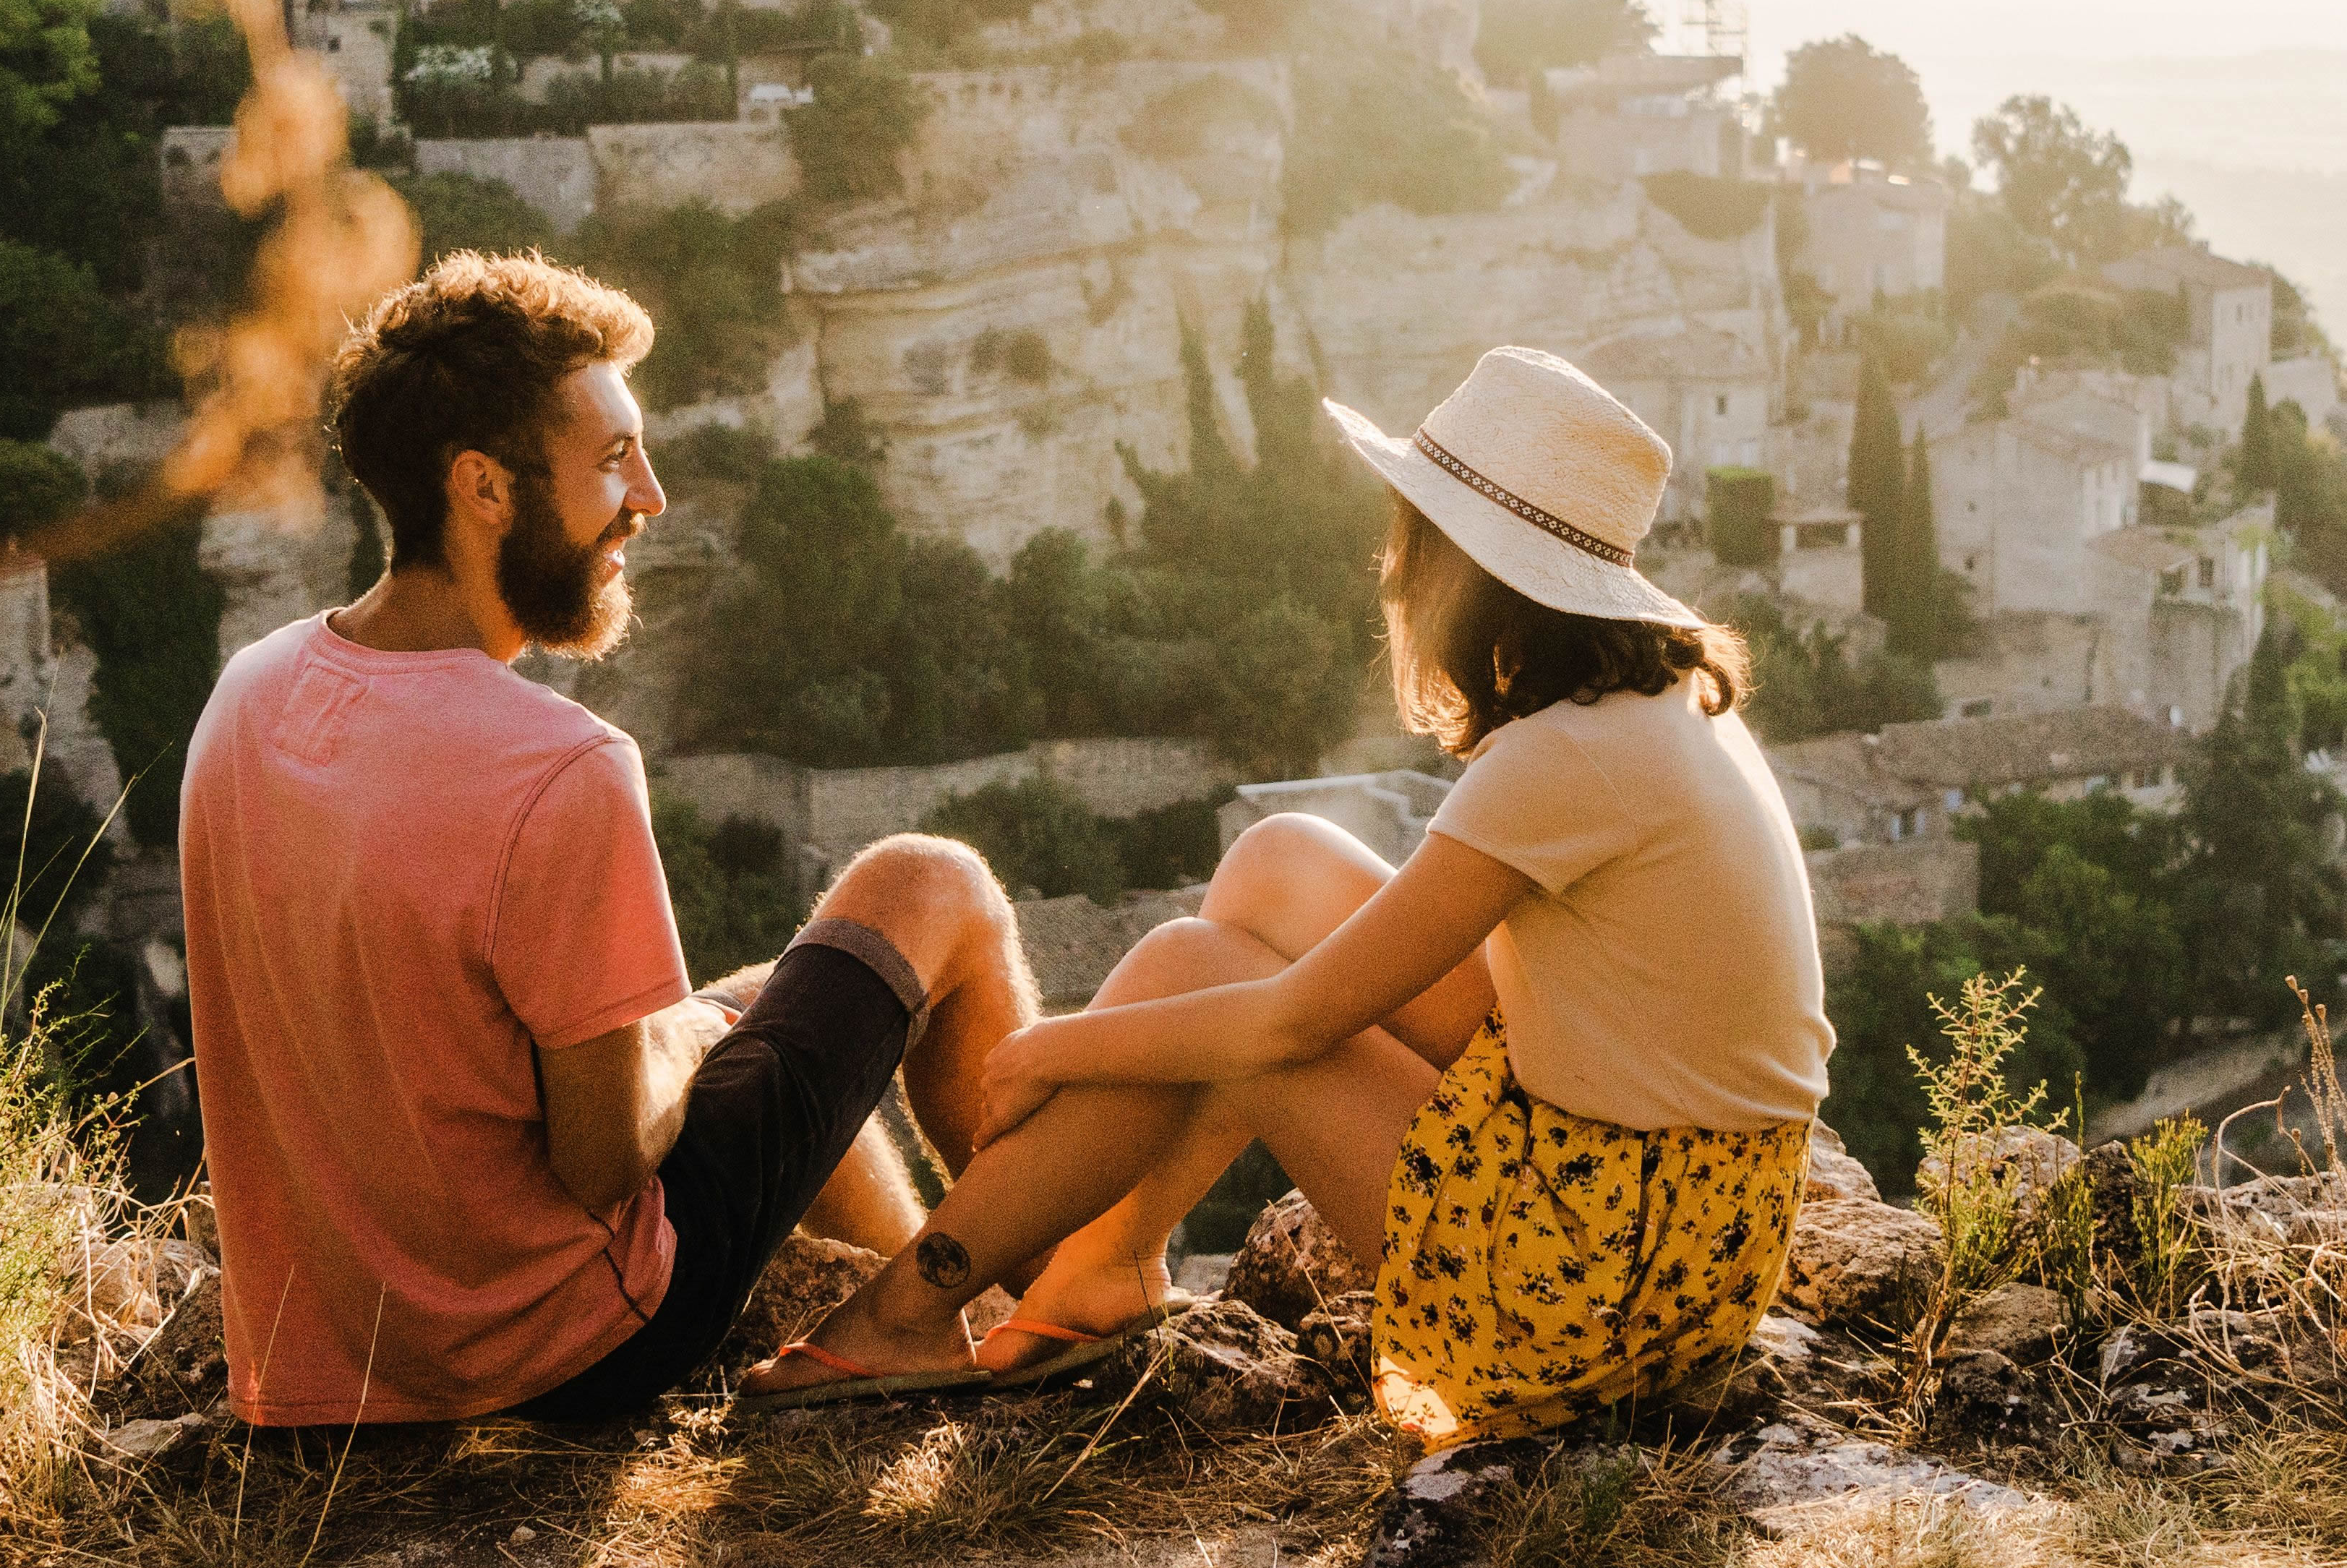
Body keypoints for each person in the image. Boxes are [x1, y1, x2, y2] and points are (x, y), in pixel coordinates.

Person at [751, 346, 1834, 1446]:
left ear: (1464, 564)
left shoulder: (1566, 757)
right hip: (1688, 1221)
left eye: (1411, 528)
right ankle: (1100, 1265)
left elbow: (1294, 1019)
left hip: (1600, 1286)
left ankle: (916, 1304)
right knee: (1278, 861)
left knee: (1206, 974)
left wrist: (1050, 1051)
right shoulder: (1656, 705)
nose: (1391, 562)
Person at [178, 247, 1041, 1427]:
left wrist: (695, 1028)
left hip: (338, 1363)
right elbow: (607, 1162)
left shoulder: (248, 696)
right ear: (484, 487)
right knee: (932, 885)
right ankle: (1053, 1307)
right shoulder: (561, 766)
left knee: (755, 1016)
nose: (652, 494)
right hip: (557, 1348)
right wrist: (685, 1036)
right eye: (612, 458)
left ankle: (934, 1326)